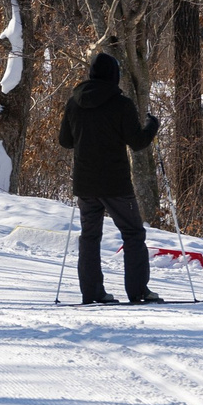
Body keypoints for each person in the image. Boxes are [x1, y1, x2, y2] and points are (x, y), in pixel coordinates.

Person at [57, 52, 163, 305]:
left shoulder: (74, 101)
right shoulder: (121, 103)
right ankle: (138, 292)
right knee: (133, 233)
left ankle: (92, 293)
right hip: (115, 183)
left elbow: (65, 141)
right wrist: (152, 126)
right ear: (114, 74)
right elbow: (137, 142)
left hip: (85, 183)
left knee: (90, 237)